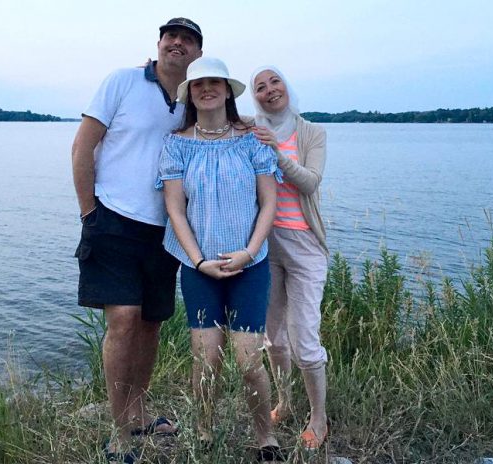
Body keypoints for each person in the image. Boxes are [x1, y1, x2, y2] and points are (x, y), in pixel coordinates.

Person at [71, 17, 203, 462]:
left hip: (166, 227)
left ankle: (140, 415)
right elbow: (82, 147)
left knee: (150, 322)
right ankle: (119, 430)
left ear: (198, 54)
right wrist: (89, 210)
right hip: (113, 219)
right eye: (172, 36)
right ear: (159, 43)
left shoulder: (192, 99)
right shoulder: (122, 82)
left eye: (188, 40)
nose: (178, 44)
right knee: (124, 319)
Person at [157, 56, 285, 462]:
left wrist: (249, 251)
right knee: (206, 359)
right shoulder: (177, 144)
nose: (206, 88)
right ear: (190, 94)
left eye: (215, 82)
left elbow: (269, 203)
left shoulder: (252, 140)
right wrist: (197, 261)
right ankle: (204, 428)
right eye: (198, 84)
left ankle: (266, 437)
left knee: (249, 361)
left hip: (250, 266)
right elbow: (175, 209)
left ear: (227, 90)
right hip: (200, 270)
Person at [250, 66, 330, 450]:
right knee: (273, 341)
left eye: (274, 82)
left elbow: (311, 181)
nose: (269, 90)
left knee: (305, 343)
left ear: (286, 86)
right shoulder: (252, 128)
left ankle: (319, 417)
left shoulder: (312, 132)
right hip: (265, 247)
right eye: (260, 87)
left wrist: (276, 154)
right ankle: (283, 400)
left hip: (305, 247)